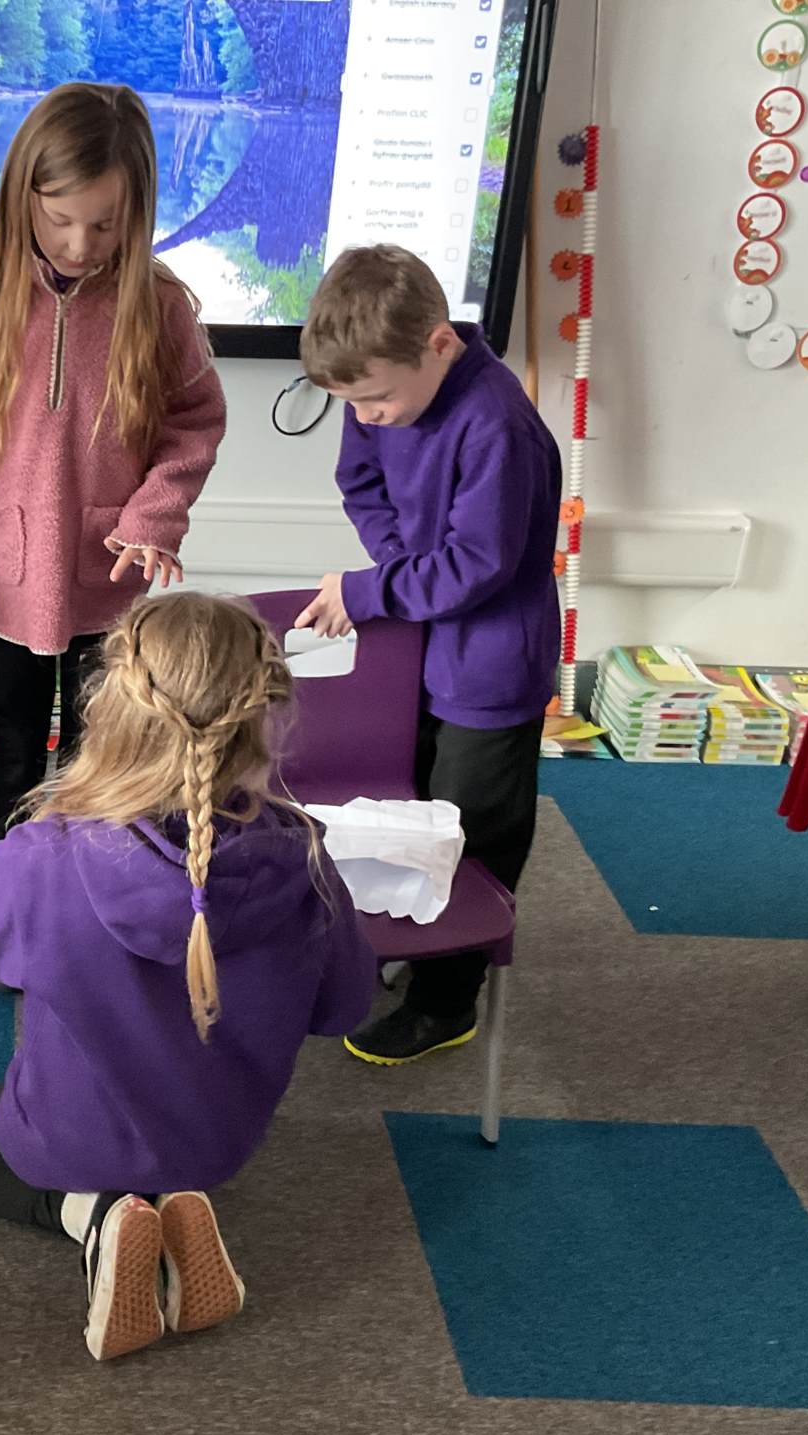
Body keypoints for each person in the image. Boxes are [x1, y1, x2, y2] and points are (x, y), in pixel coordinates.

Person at [0, 592, 376, 1361]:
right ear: (264, 716)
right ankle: (173, 1199)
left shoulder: (52, 860)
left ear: (106, 707)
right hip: (219, 1144)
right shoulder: (306, 857)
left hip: (71, 1141)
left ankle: (96, 1217)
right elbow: (344, 1008)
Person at [0, 82, 227, 846]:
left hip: (109, 576)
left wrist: (153, 518)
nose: (80, 244)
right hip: (7, 575)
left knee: (101, 762)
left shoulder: (160, 305)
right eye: (59, 220)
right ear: (23, 195)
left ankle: (86, 893)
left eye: (104, 224)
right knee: (13, 759)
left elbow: (194, 424)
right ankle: (14, 891)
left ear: (136, 211)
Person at [295, 243, 561, 1064]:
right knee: (409, 803)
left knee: (471, 828)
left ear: (440, 345)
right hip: (419, 634)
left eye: (377, 399)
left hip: (492, 661)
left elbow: (477, 566)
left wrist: (374, 589)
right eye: (352, 403)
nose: (367, 415)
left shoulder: (497, 424)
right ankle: (414, 935)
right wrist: (399, 570)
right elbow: (362, 483)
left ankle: (447, 1000)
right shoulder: (375, 387)